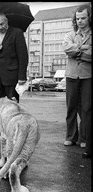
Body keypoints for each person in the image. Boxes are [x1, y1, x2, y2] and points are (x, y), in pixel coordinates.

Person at [0, 12, 28, 138]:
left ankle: (13, 131)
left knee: (12, 105)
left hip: (12, 75)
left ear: (7, 21)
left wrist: (22, 77)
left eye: (2, 24)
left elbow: (23, 56)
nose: (0, 27)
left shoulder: (17, 33)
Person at [62, 4, 91, 158]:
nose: (79, 21)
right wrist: (83, 47)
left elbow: (90, 54)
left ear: (89, 18)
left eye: (83, 18)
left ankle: (85, 138)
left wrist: (77, 52)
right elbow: (66, 48)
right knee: (71, 106)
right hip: (72, 74)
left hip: (88, 75)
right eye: (77, 18)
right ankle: (71, 137)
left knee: (87, 108)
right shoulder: (70, 34)